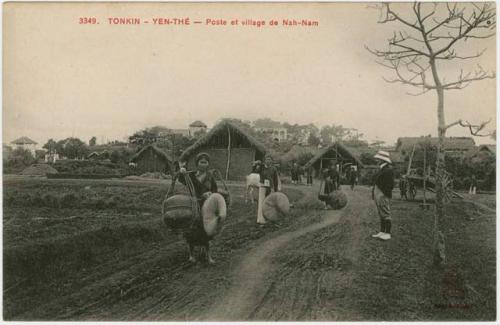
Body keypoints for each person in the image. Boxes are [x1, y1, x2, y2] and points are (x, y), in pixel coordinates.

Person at [178, 152, 218, 263]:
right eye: (201, 162)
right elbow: (181, 179)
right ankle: (191, 255)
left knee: (206, 230)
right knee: (192, 230)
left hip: (206, 206)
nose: (203, 164)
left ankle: (208, 255)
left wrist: (209, 193)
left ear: (208, 164)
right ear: (197, 163)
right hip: (194, 205)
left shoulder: (210, 177)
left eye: (206, 162)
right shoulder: (191, 175)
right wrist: (182, 170)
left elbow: (215, 191)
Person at [371, 150, 395, 241]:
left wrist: (384, 194)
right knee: (381, 213)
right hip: (378, 193)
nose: (377, 160)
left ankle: (387, 233)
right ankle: (382, 231)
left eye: (378, 159)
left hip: (382, 194)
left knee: (385, 213)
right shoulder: (382, 169)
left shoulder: (388, 170)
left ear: (382, 160)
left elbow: (390, 185)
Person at [257, 154, 281, 225]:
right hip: (262, 187)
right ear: (265, 160)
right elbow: (255, 170)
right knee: (261, 202)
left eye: (269, 159)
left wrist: (276, 190)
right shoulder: (261, 167)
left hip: (270, 187)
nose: (268, 161)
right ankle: (260, 219)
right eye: (267, 159)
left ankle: (269, 217)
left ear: (271, 161)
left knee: (270, 203)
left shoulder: (273, 169)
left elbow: (275, 180)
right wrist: (257, 165)